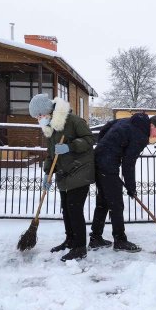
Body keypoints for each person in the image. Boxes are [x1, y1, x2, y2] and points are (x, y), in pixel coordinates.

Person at [29, 93, 95, 261]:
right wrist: (47, 173)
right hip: (64, 174)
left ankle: (80, 247)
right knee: (66, 209)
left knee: (74, 209)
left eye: (40, 115)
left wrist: (70, 146)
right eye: (37, 117)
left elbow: (89, 140)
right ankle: (70, 240)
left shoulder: (73, 121)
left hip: (80, 171)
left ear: (48, 111)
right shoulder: (50, 127)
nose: (39, 119)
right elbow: (51, 154)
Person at [89, 113, 156, 252]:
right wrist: (131, 187)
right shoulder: (141, 136)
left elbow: (106, 128)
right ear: (152, 125)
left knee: (104, 201)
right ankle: (120, 240)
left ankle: (96, 238)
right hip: (107, 164)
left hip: (98, 159)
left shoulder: (129, 120)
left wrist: (103, 146)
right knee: (116, 204)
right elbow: (129, 163)